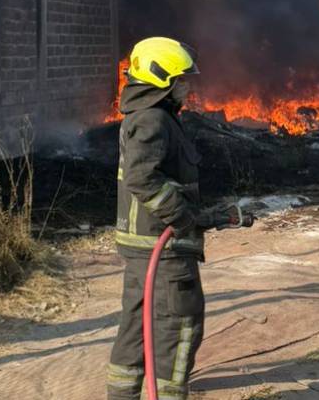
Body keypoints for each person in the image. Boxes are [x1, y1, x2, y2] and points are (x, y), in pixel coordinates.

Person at [107, 37, 206, 400]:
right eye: (181, 79)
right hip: (162, 250)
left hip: (143, 246)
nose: (187, 86)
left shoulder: (147, 116)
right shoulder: (153, 120)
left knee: (136, 327)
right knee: (177, 328)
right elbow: (141, 178)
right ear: (162, 78)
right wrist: (181, 218)